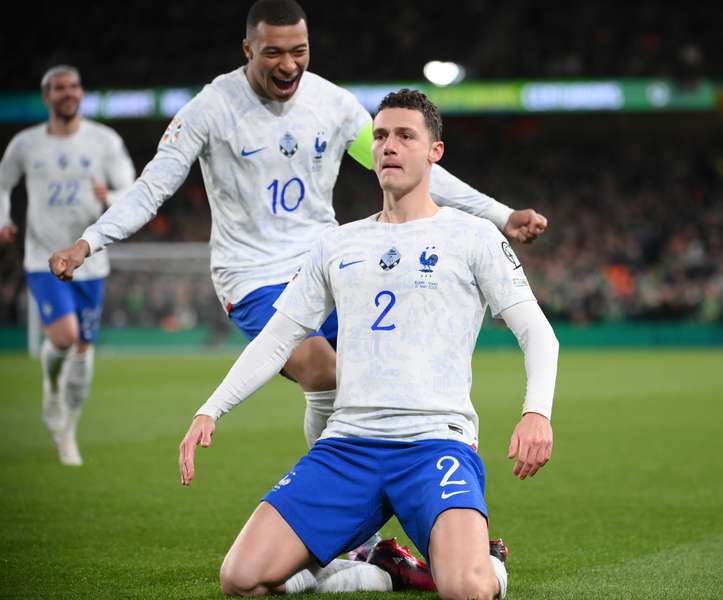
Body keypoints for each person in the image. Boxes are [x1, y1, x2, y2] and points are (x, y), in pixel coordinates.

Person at [48, 0, 547, 462]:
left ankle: (380, 509)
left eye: (299, 51)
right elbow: (151, 188)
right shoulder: (210, 109)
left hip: (325, 266)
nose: (288, 65)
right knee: (322, 370)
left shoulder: (331, 105)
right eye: (273, 53)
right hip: (251, 274)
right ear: (248, 50)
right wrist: (89, 241)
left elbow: (411, 166)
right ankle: (333, 515)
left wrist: (501, 215)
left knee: (376, 382)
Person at [178, 88, 558, 598]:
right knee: (240, 579)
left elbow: (538, 333)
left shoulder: (473, 237)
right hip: (349, 445)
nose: (388, 147)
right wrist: (211, 409)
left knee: (467, 588)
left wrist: (537, 412)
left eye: (405, 136)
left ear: (434, 152)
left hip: (435, 444)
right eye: (380, 136)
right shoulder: (337, 244)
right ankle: (372, 573)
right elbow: (277, 338)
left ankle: (487, 562)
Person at [0, 65, 136, 466]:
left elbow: (131, 186)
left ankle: (68, 430)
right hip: (43, 256)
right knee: (64, 336)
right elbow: (3, 181)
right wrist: (4, 219)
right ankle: (50, 387)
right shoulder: (25, 145)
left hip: (92, 259)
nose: (68, 93)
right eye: (59, 88)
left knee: (83, 347)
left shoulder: (104, 140)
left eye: (74, 86)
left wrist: (108, 194)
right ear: (47, 97)